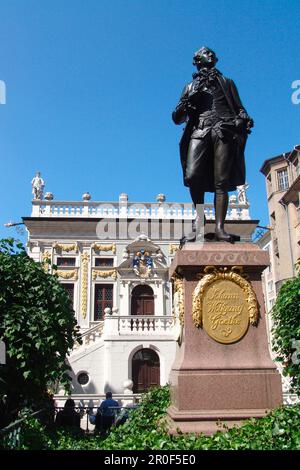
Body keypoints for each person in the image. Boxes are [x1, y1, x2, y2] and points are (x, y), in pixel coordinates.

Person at [172, 46, 253, 242]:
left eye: (212, 54)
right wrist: (187, 103)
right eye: (207, 53)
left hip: (223, 131)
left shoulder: (227, 82)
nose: (212, 56)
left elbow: (240, 109)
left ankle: (219, 228)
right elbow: (177, 118)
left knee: (221, 181)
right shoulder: (189, 86)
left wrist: (243, 119)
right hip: (199, 130)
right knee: (192, 176)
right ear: (198, 61)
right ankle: (200, 219)